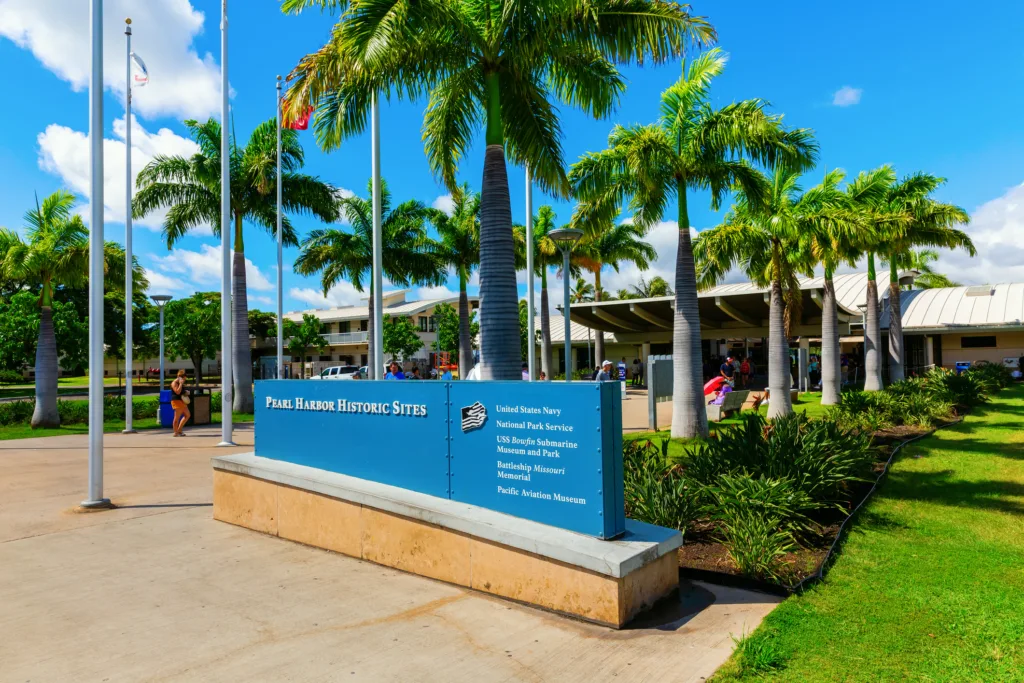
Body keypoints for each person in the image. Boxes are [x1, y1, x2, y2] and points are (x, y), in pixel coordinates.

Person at [170, 369, 191, 437]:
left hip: (182, 401)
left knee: (187, 415)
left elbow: (181, 392)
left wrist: (186, 392)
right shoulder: (174, 383)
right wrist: (181, 384)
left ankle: (179, 430)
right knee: (177, 417)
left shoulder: (181, 382)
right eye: (184, 378)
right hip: (176, 401)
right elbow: (177, 392)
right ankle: (175, 432)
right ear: (180, 377)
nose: (184, 380)